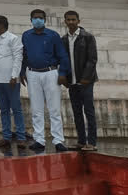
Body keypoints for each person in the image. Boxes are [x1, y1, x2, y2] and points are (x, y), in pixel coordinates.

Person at [21, 9, 71, 152]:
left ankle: (58, 140)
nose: (38, 20)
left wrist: (62, 73)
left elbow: (63, 56)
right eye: (35, 18)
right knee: (36, 109)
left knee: (54, 109)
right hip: (32, 74)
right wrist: (21, 72)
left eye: (40, 18)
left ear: (45, 20)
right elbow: (23, 55)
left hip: (51, 73)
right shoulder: (26, 35)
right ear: (30, 20)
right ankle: (39, 140)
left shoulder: (53, 35)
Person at [62, 11, 99, 151]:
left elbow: (92, 59)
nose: (71, 22)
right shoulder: (64, 39)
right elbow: (63, 60)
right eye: (68, 20)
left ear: (78, 20)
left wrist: (86, 78)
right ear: (64, 21)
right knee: (76, 112)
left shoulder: (87, 37)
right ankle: (81, 141)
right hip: (72, 82)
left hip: (85, 81)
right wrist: (65, 77)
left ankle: (92, 142)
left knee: (89, 111)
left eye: (73, 19)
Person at [0, 15, 26, 149]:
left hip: (10, 80)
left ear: (1, 25)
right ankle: (6, 136)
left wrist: (14, 76)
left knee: (16, 109)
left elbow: (18, 58)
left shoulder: (13, 38)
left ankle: (21, 137)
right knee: (3, 109)